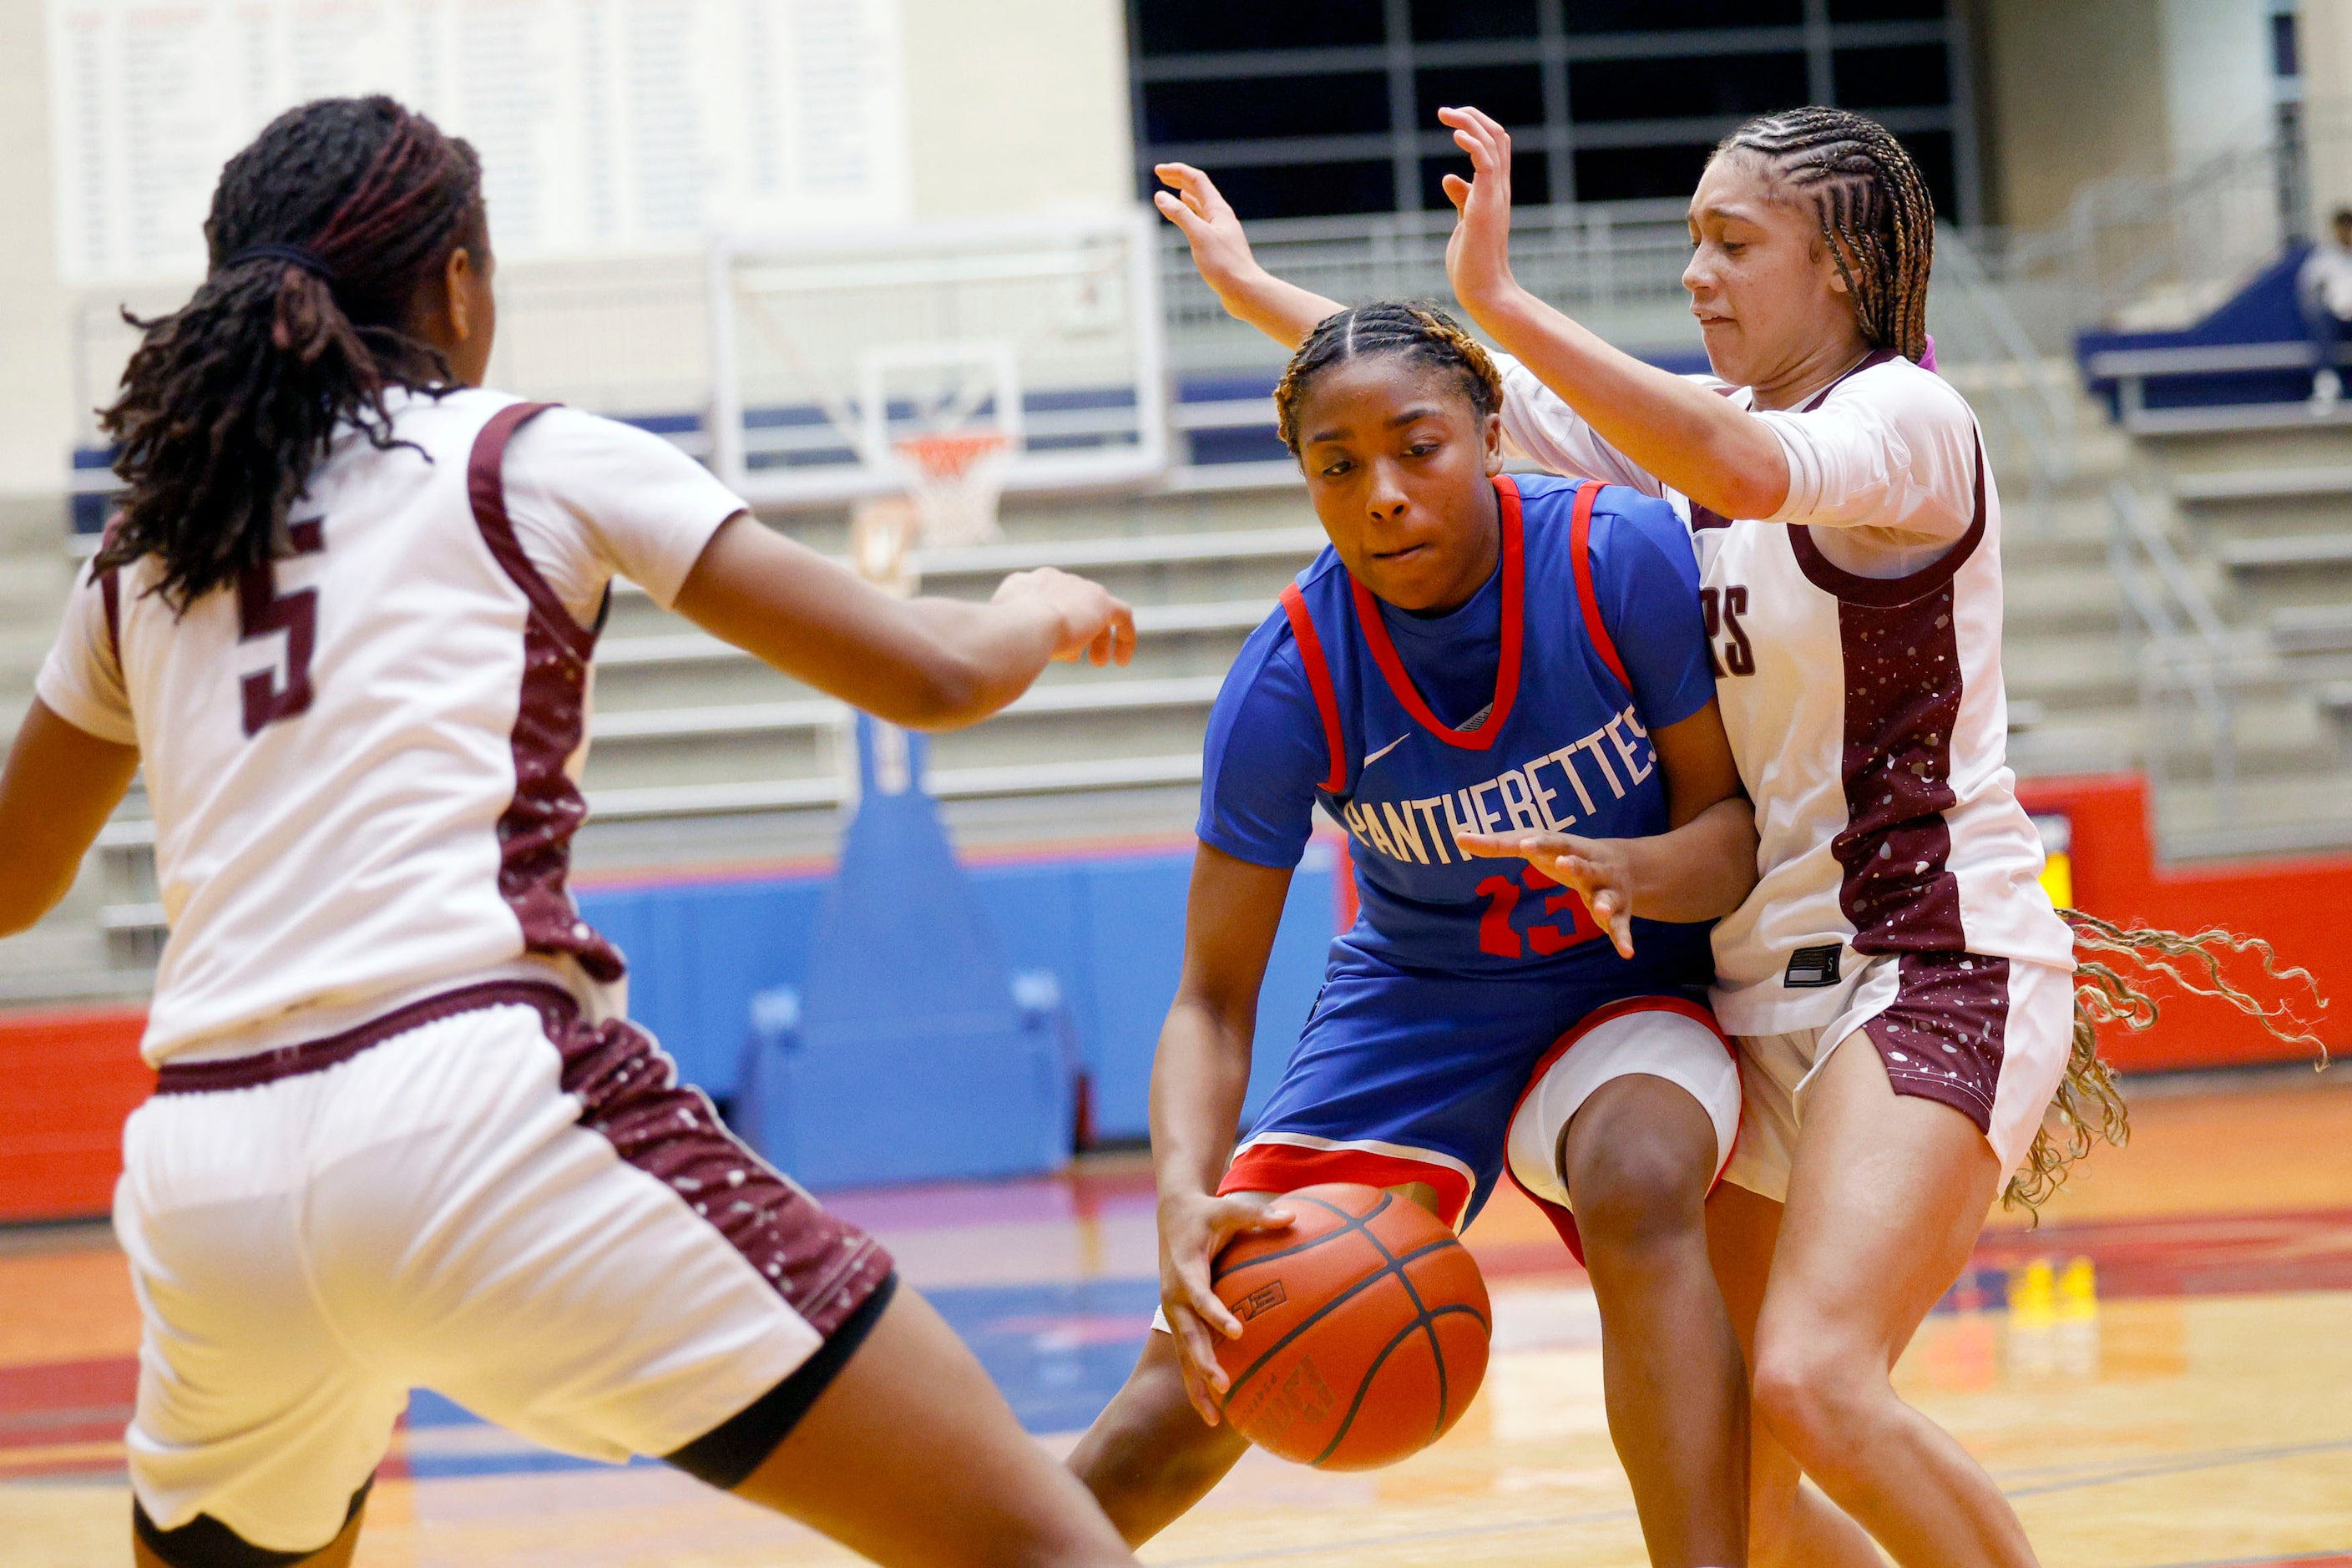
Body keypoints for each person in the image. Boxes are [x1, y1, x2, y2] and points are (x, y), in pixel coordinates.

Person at [0, 95, 1148, 1568]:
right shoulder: (520, 452)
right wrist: (1030, 606)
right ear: (460, 284)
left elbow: (18, 878)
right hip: (474, 1099)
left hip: (208, 1165)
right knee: (1042, 1545)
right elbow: (925, 674)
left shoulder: (147, 545)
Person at [1152, 107, 2128, 1568]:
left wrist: (1496, 299)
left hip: (1923, 958)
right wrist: (1257, 299)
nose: (1694, 273)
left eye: (1731, 243)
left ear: (1846, 271)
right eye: (1687, 241)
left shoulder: (1906, 424)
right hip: (1752, 988)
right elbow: (1447, 414)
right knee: (1741, 1486)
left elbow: (1725, 459)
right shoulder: (1676, 439)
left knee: (1811, 1377)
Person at [1064, 300, 1765, 1567]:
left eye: (1417, 447)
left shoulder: (1621, 558)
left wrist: (1631, 866)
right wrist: (1180, 1197)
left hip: (1629, 976)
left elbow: (1729, 832)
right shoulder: (1289, 677)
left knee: (1641, 1173)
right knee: (1201, 1370)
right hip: (1421, 1003)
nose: (1381, 493)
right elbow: (1211, 1001)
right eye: (1337, 467)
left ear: (1491, 434)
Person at [2297, 206, 2352, 408]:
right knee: (2318, 316)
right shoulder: (2323, 258)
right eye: (2342, 228)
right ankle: (2327, 385)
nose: (2346, 233)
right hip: (2334, 319)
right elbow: (2309, 291)